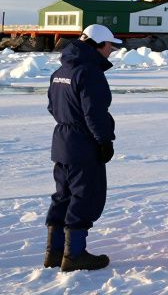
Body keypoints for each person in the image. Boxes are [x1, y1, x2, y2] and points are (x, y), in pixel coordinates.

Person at [45, 24, 121, 271]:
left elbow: (52, 107)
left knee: (63, 195)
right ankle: (75, 255)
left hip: (62, 142)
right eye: (110, 45)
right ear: (99, 45)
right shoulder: (89, 72)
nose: (112, 50)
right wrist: (103, 140)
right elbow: (94, 112)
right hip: (83, 144)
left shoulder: (61, 71)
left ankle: (55, 252)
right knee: (84, 196)